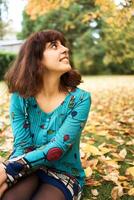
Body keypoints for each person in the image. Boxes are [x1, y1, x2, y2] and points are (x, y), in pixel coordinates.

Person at [0, 29, 92, 200]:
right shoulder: (20, 97)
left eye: (63, 45)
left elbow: (56, 149)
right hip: (26, 167)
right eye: (54, 45)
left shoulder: (80, 99)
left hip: (64, 172)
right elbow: (22, 144)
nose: (65, 49)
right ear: (36, 60)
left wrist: (8, 169)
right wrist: (9, 176)